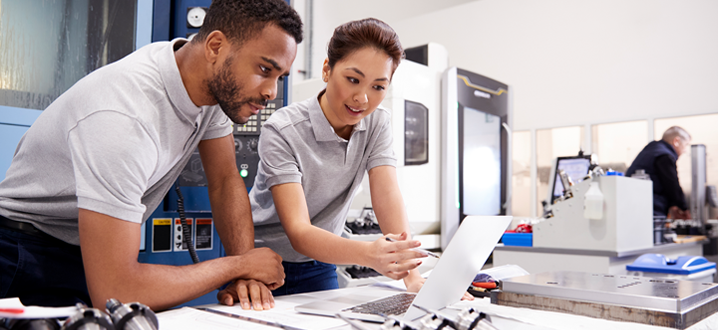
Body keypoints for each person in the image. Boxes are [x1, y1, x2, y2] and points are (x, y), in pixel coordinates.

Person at [0, 0, 302, 311]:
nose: (271, 92)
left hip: (82, 249)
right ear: (215, 47)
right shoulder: (123, 116)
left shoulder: (205, 86)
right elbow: (115, 292)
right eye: (265, 70)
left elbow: (225, 180)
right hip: (23, 256)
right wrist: (238, 266)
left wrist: (246, 273)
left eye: (280, 77)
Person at [224, 18, 472, 300]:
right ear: (327, 70)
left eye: (378, 87)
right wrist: (369, 254)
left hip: (320, 264)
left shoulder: (377, 124)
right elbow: (299, 231)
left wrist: (413, 278)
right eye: (353, 80)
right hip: (263, 265)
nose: (362, 98)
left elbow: (387, 195)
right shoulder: (283, 129)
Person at [626, 126, 692, 219]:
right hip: (651, 207)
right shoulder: (664, 155)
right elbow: (671, 183)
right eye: (686, 145)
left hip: (634, 204)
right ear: (676, 141)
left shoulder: (652, 149)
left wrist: (673, 204)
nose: (685, 150)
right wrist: (683, 208)